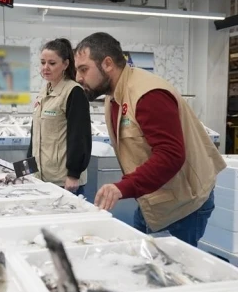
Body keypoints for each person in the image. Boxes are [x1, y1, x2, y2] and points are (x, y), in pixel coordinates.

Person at [73, 32, 227, 246]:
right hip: (154, 201)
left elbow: (171, 155)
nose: (79, 78)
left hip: (183, 206)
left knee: (171, 274)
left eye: (83, 69)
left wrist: (122, 187)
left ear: (107, 63)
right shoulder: (113, 96)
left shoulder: (148, 95)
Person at [27, 38, 92, 196]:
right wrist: (29, 166)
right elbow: (35, 134)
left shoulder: (74, 92)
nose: (45, 68)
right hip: (41, 177)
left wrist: (73, 174)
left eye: (52, 63)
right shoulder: (44, 91)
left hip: (63, 181)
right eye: (42, 63)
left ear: (65, 64)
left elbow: (80, 137)